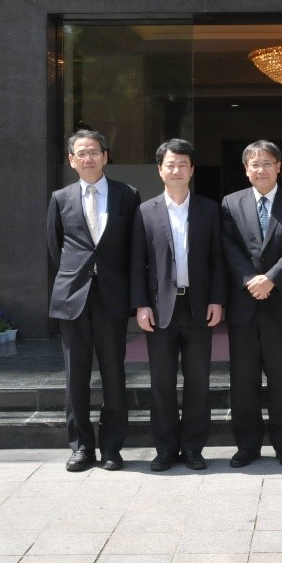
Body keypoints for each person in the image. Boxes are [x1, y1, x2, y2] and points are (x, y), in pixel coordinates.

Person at [47, 129, 141, 472]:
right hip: (73, 298)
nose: (88, 158)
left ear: (105, 156)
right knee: (76, 377)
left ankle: (112, 448)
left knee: (114, 374)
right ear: (72, 160)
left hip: (112, 297)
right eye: (81, 154)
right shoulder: (60, 198)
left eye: (94, 152)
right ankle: (82, 447)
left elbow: (134, 248)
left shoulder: (127, 194)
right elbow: (55, 247)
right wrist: (78, 276)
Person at [130, 138, 225, 472]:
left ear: (192, 170)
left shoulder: (209, 209)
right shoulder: (145, 211)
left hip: (198, 307)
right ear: (160, 170)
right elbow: (138, 262)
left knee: (198, 383)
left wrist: (217, 299)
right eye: (170, 165)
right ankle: (166, 449)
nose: (176, 170)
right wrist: (141, 305)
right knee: (162, 383)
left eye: (183, 165)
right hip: (160, 310)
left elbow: (217, 259)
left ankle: (194, 448)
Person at [219, 139, 282, 468]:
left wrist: (271, 279)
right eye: (255, 164)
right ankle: (247, 446)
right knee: (243, 380)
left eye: (267, 163)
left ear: (278, 167)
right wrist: (250, 279)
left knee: (280, 379)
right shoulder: (230, 203)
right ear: (246, 170)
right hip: (244, 305)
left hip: (281, 304)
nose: (261, 169)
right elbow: (228, 246)